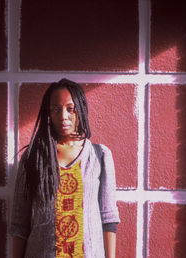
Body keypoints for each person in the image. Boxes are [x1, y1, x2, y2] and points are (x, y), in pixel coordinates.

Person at [9, 78, 120, 258]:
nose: (63, 116)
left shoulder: (100, 156)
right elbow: (19, 224)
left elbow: (108, 219)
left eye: (70, 108)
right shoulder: (33, 158)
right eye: (55, 109)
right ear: (48, 114)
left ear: (81, 109)